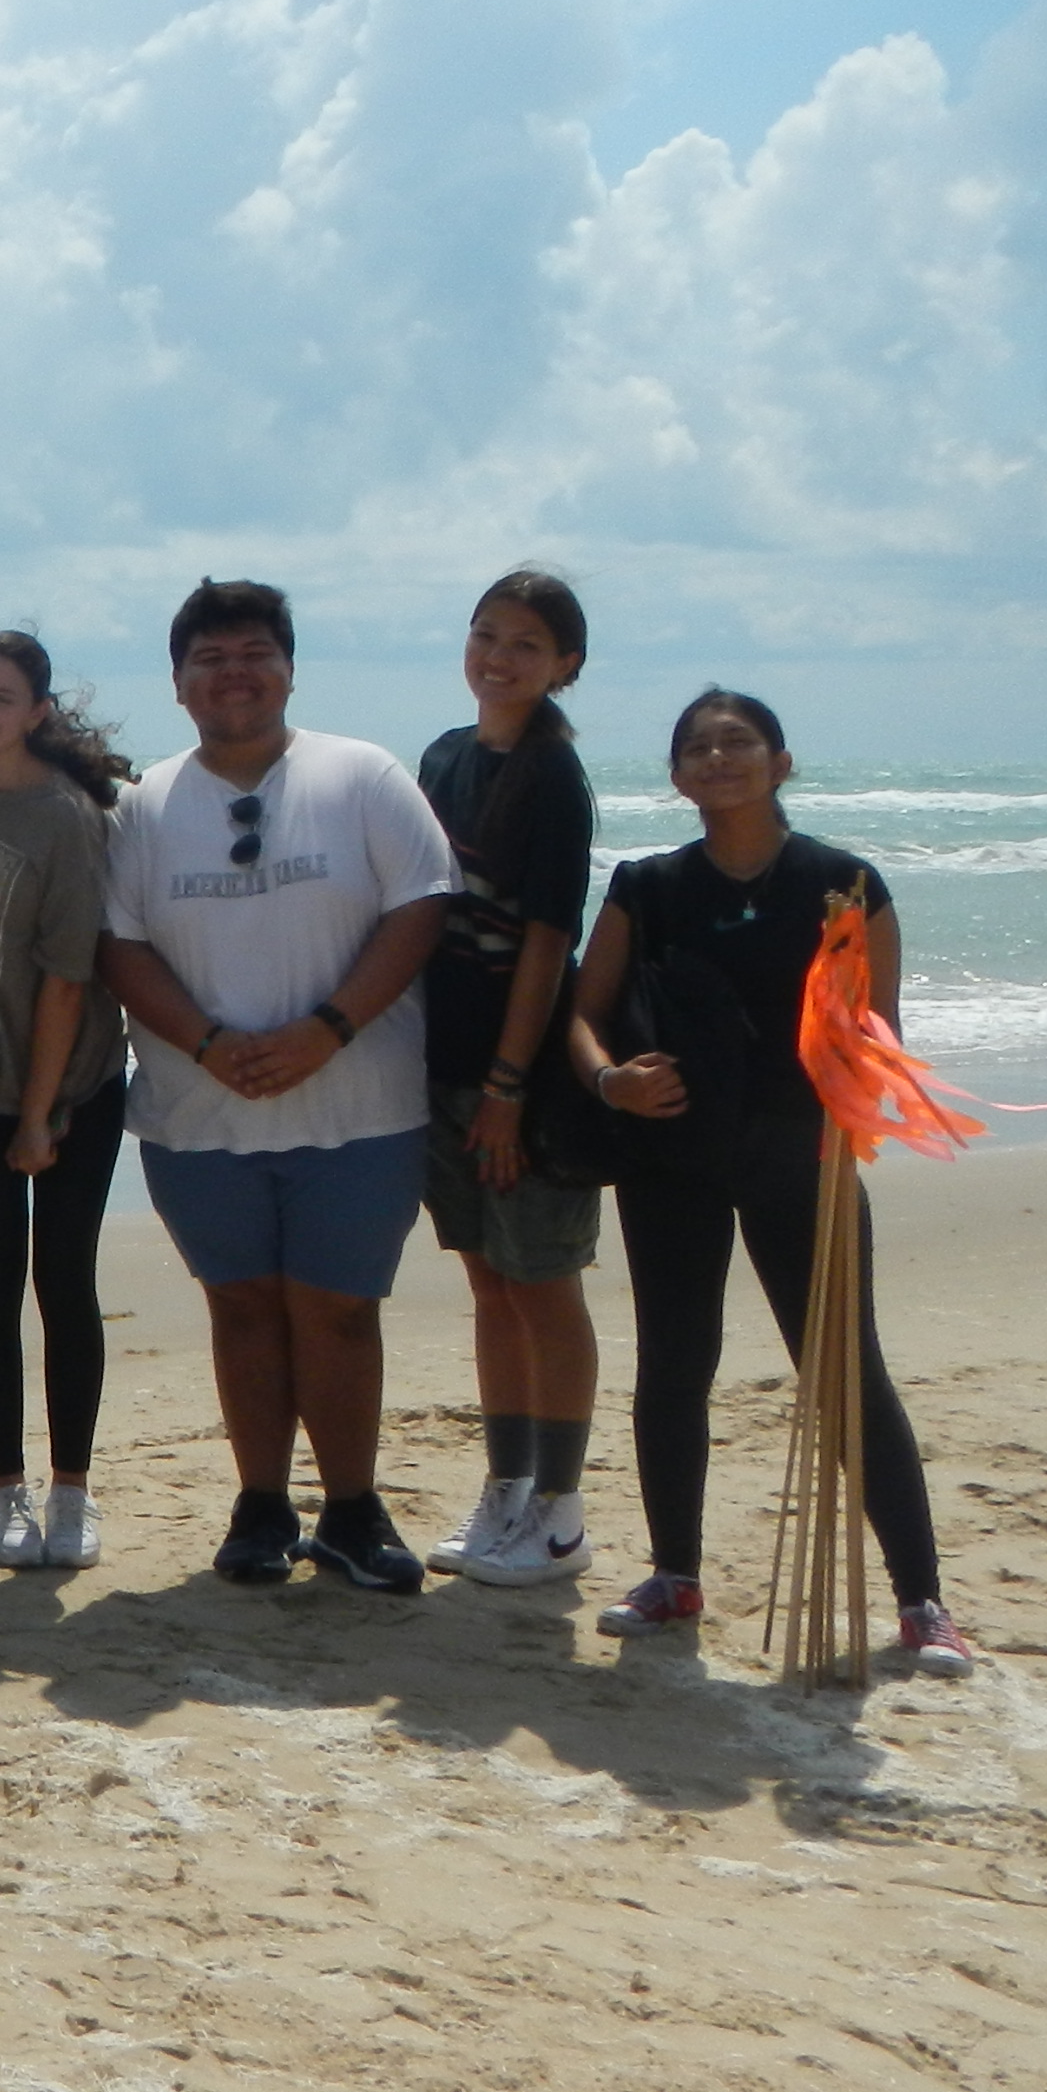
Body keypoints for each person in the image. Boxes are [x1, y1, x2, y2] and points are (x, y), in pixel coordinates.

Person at [565, 690, 981, 1670]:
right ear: (676, 778)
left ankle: (921, 1602)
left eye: (737, 741)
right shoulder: (646, 884)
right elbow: (580, 1014)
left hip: (802, 1155)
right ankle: (675, 1576)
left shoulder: (842, 884)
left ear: (779, 762)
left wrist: (853, 1107)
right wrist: (608, 1080)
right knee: (673, 1362)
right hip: (672, 1153)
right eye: (697, 748)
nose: (718, 757)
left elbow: (881, 1030)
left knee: (842, 1373)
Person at [94, 581, 459, 1593]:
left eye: (254, 652)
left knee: (339, 1309)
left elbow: (419, 909)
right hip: (195, 1106)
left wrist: (325, 1031)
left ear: (289, 668)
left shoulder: (362, 776)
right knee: (241, 1305)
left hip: (361, 1103)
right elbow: (117, 945)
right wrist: (208, 1044)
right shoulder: (144, 805)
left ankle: (350, 1508)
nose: (233, 673)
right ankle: (260, 1504)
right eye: (209, 659)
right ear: (177, 684)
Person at [0, 632, 133, 1569]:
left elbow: (66, 980)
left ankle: (72, 1491)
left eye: (1, 697)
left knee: (64, 1280)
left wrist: (42, 1114)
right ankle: (3, 1487)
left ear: (38, 712)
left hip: (74, 1083)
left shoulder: (68, 817)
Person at [413, 573, 606, 1591]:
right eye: (485, 634)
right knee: (489, 1281)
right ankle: (506, 1486)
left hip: (517, 1081)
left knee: (541, 1282)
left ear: (564, 663)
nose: (500, 657)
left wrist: (505, 1085)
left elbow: (545, 942)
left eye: (527, 644)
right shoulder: (444, 756)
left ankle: (561, 1512)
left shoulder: (554, 779)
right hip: (440, 1062)